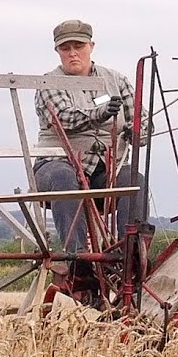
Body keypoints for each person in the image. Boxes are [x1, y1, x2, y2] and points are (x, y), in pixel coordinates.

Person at [33, 18, 147, 256]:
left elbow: (142, 120)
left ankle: (130, 253)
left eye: (79, 46)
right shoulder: (49, 83)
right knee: (64, 178)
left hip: (104, 170)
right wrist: (101, 113)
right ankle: (79, 257)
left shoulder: (116, 81)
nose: (73, 54)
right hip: (56, 167)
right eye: (66, 48)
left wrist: (137, 132)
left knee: (133, 179)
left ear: (91, 46)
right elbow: (64, 118)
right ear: (57, 51)